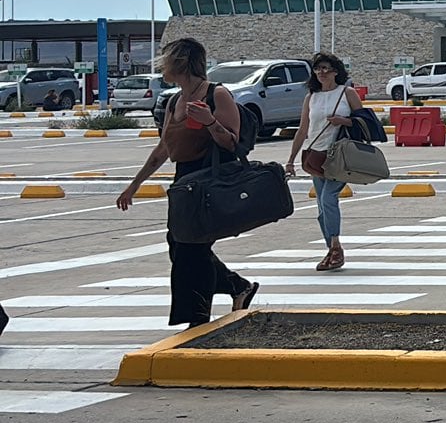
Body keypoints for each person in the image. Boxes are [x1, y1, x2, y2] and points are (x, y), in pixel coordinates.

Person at [114, 38, 258, 327]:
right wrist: (134, 185)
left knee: (192, 248)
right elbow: (162, 150)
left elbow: (232, 143)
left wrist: (209, 121)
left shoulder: (217, 95)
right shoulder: (173, 101)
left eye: (165, 59)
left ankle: (197, 319)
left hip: (209, 180)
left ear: (180, 62)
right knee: (179, 245)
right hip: (184, 182)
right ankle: (237, 286)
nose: (161, 65)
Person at [284, 51, 366, 271]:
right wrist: (291, 160)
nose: (321, 72)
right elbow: (303, 130)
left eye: (326, 68)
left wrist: (344, 121)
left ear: (335, 72)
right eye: (318, 69)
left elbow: (366, 121)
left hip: (340, 156)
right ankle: (331, 250)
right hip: (316, 155)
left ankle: (336, 247)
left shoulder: (346, 93)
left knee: (329, 198)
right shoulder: (311, 97)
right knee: (321, 207)